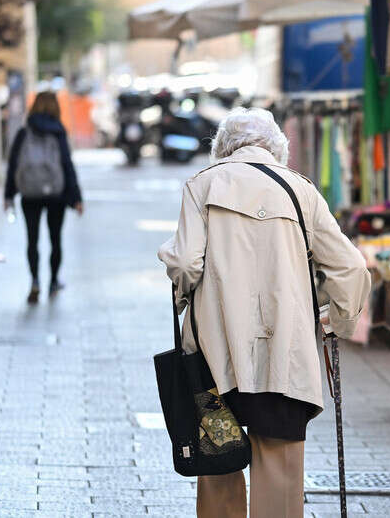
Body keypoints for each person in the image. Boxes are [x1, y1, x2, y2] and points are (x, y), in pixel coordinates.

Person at [159, 108, 370, 518]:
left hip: (212, 363)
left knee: (218, 466)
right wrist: (335, 321)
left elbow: (185, 265)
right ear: (277, 149)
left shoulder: (201, 186)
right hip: (284, 359)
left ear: (222, 148)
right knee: (281, 471)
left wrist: (187, 295)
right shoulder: (302, 190)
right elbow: (352, 268)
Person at [3, 91, 83, 303]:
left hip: (29, 193)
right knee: (55, 240)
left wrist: (8, 195)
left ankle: (35, 281)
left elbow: (13, 165)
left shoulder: (24, 132)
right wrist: (76, 197)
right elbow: (67, 164)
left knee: (32, 240)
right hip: (55, 194)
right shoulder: (58, 132)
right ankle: (54, 281)